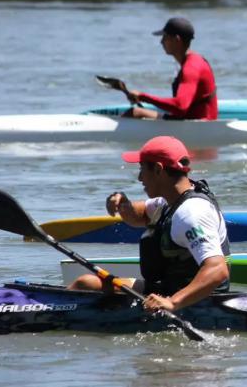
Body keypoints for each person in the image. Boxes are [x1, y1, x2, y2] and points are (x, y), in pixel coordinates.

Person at [69, 136, 230, 312]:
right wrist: (123, 205)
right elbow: (139, 216)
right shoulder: (169, 201)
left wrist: (173, 303)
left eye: (142, 169)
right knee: (86, 283)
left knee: (85, 284)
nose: (139, 178)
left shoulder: (191, 213)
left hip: (198, 302)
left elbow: (217, 269)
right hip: (167, 289)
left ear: (159, 170)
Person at [122, 17, 218, 120]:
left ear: (177, 40)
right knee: (138, 112)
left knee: (135, 113)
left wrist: (143, 97)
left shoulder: (191, 67)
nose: (161, 41)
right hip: (192, 122)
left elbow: (180, 106)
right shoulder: (194, 61)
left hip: (199, 127)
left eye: (165, 37)